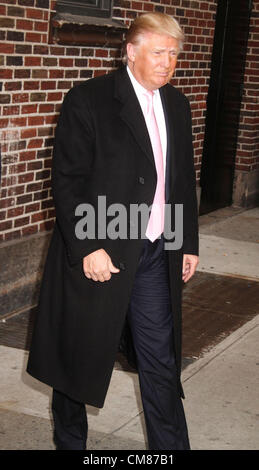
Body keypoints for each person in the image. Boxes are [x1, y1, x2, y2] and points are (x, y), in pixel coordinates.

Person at [27, 12, 199, 450]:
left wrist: (186, 242)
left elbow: (179, 183)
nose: (167, 62)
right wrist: (87, 245)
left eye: (174, 54)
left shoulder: (177, 105)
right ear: (131, 51)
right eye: (158, 52)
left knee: (161, 363)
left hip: (156, 255)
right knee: (78, 360)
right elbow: (66, 181)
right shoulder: (89, 100)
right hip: (101, 253)